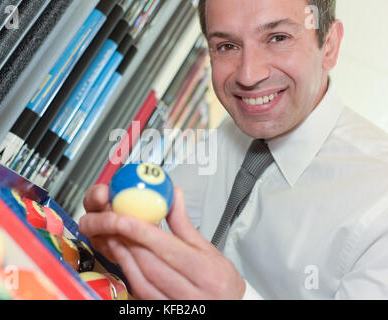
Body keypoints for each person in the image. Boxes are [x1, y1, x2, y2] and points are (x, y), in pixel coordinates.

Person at [79, 0, 388, 299]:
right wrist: (133, 241)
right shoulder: (235, 129)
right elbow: (177, 238)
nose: (248, 75)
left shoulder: (379, 202)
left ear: (330, 45)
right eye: (227, 46)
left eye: (278, 38)